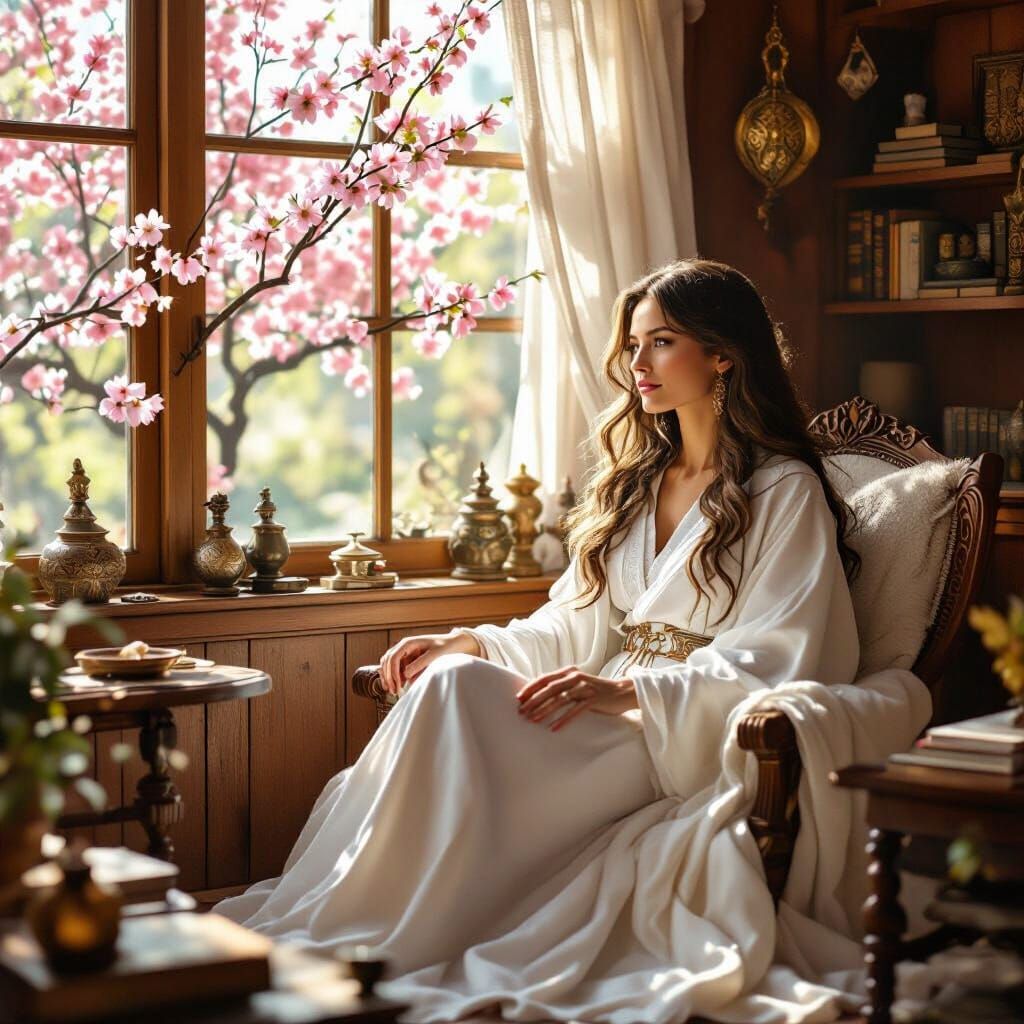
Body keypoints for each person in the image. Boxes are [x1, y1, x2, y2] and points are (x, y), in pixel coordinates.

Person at [216, 258, 874, 1023]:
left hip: (668, 730)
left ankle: (393, 933)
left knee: (459, 692)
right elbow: (578, 620)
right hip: (595, 703)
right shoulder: (641, 480)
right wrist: (476, 642)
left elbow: (775, 653)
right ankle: (376, 923)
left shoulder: (783, 490)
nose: (637, 365)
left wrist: (626, 692)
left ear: (723, 353)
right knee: (450, 681)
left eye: (661, 343)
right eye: (633, 344)